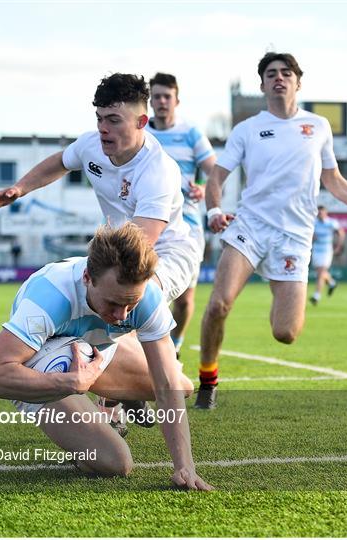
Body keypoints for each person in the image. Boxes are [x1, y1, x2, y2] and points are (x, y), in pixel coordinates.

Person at [196, 51, 347, 409]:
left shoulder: (318, 126)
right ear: (262, 84)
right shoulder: (247, 129)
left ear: (297, 81)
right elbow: (217, 176)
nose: (279, 78)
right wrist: (214, 209)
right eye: (271, 73)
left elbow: (334, 180)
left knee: (286, 333)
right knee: (218, 304)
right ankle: (207, 380)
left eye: (286, 73)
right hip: (251, 226)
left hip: (294, 236)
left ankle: (278, 288)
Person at [0, 223, 212, 490]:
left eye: (130, 304)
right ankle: (86, 415)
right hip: (44, 360)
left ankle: (111, 395)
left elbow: (167, 386)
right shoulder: (51, 298)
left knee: (182, 386)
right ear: (87, 277)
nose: (123, 315)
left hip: (95, 349)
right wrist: (68, 384)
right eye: (113, 303)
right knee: (116, 463)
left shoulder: (147, 297)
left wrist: (185, 466)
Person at [0, 73, 200, 305]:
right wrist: (20, 188)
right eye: (99, 119)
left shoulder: (159, 170)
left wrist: (97, 269)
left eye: (113, 120)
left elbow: (140, 244)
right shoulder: (90, 146)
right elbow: (61, 162)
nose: (103, 129)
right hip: (118, 253)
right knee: (62, 296)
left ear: (141, 122)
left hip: (167, 255)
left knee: (136, 300)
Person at [146, 72, 216, 358]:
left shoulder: (191, 133)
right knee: (144, 291)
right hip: (148, 221)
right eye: (156, 97)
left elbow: (215, 171)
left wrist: (202, 187)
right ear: (149, 101)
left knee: (185, 300)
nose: (162, 102)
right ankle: (145, 354)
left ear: (177, 100)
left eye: (167, 96)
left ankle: (174, 346)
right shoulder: (142, 134)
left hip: (186, 226)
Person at [310, 205, 345, 305]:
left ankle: (316, 296)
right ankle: (332, 283)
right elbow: (309, 234)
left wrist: (338, 246)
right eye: (318, 213)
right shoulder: (314, 223)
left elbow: (341, 233)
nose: (320, 214)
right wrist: (312, 237)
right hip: (316, 250)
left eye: (321, 212)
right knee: (320, 272)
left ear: (325, 213)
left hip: (326, 250)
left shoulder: (331, 223)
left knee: (321, 272)